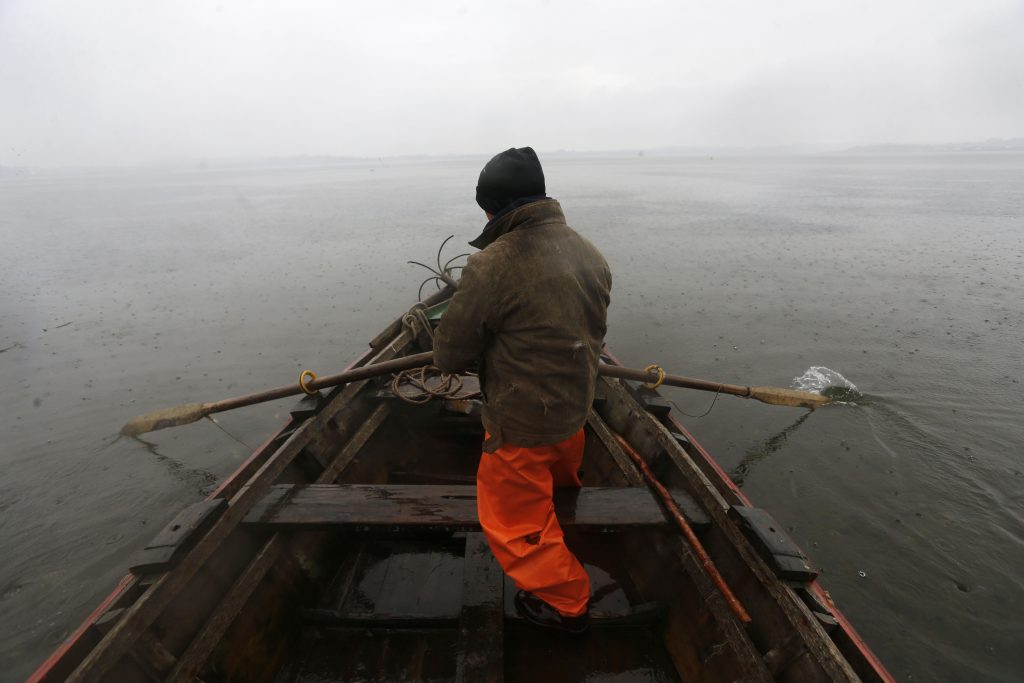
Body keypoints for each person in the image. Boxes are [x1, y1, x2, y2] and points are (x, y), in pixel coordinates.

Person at [433, 147, 612, 633]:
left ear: (496, 209)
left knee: (513, 526)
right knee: (556, 486)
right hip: (575, 416)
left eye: (486, 210)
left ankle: (569, 602)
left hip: (521, 432)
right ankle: (564, 510)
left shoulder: (493, 264)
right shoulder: (590, 252)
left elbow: (449, 355)